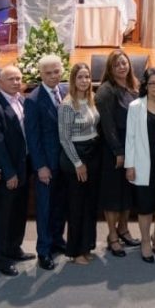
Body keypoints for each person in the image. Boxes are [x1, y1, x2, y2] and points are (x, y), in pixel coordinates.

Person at [0, 66, 35, 276]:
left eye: (18, 78)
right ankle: (2, 259)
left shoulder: (21, 100)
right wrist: (9, 173)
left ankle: (15, 248)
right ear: (0, 82)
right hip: (8, 171)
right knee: (3, 216)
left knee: (19, 212)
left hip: (24, 166)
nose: (16, 82)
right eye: (11, 79)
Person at [24, 55, 68, 270]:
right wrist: (40, 166)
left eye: (56, 72)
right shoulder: (33, 99)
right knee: (45, 208)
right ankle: (44, 250)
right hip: (46, 165)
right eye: (48, 73)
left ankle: (58, 240)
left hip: (65, 162)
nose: (53, 76)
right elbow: (33, 137)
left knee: (60, 205)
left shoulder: (66, 92)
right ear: (41, 74)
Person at [95, 49, 140, 257]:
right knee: (113, 194)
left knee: (127, 191)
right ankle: (112, 235)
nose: (122, 67)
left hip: (132, 147)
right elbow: (108, 126)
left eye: (124, 63)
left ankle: (124, 228)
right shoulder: (106, 91)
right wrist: (118, 152)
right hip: (114, 150)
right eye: (117, 65)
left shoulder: (133, 86)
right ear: (110, 69)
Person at [124, 67, 155, 262]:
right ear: (145, 85)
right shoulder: (136, 106)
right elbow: (130, 138)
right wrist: (130, 165)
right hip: (144, 162)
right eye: (152, 83)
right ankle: (145, 241)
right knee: (145, 206)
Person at [57, 63, 100, 266]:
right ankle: (75, 251)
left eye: (87, 77)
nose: (84, 81)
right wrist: (77, 163)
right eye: (80, 77)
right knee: (76, 206)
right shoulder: (67, 105)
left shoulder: (91, 99)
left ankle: (86, 246)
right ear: (73, 80)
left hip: (92, 153)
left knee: (90, 205)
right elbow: (64, 139)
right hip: (76, 157)